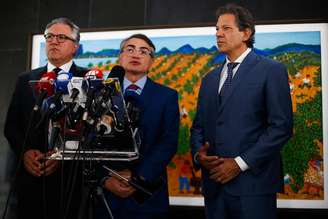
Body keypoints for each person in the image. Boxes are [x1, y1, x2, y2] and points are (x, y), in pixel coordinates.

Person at [190, 3, 293, 219]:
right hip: (214, 188)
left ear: (246, 33)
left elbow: (281, 128)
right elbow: (199, 126)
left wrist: (239, 164)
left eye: (226, 28)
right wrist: (199, 156)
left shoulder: (271, 71)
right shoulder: (209, 79)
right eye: (216, 29)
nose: (218, 34)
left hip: (253, 188)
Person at [4, 17, 88, 219]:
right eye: (49, 37)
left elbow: (91, 130)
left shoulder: (88, 79)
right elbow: (12, 126)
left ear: (75, 47)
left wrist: (62, 155)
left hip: (70, 179)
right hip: (31, 175)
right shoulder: (26, 79)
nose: (54, 41)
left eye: (61, 37)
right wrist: (25, 153)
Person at [97, 34, 180, 219]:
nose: (136, 54)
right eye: (130, 49)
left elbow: (168, 142)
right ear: (120, 57)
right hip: (104, 196)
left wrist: (136, 177)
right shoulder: (100, 94)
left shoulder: (167, 96)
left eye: (144, 51)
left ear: (151, 62)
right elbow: (88, 143)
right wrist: (105, 179)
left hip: (146, 195)